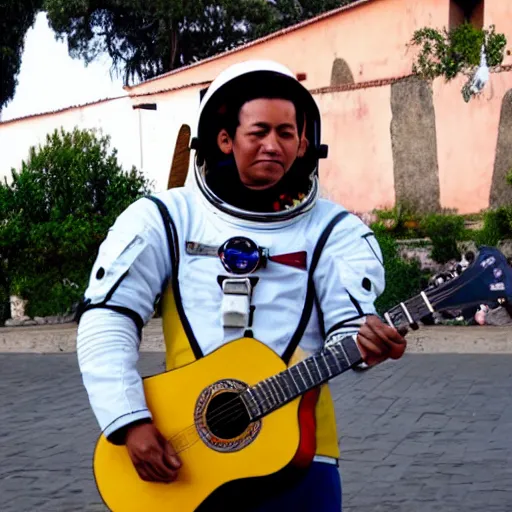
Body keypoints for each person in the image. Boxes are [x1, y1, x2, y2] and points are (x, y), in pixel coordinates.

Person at [77, 60, 407, 511]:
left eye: (287, 133)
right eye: (259, 132)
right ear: (225, 139)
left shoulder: (336, 230)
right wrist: (128, 421)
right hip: (185, 457)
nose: (273, 145)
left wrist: (366, 343)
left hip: (302, 459)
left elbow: (348, 330)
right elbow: (108, 318)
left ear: (305, 141)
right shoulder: (165, 218)